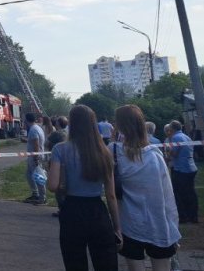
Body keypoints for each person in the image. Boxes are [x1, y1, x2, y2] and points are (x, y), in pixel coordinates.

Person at [46, 105, 121, 271]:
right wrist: (117, 227)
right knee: (106, 263)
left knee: (74, 262)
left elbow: (52, 186)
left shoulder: (60, 149)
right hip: (97, 211)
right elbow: (111, 195)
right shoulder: (104, 152)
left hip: (72, 210)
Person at [113, 105, 181, 271]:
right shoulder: (155, 155)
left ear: (120, 126)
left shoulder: (113, 152)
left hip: (129, 223)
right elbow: (167, 195)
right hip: (159, 223)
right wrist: (174, 226)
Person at [164, 120, 198, 224]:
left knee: (179, 193)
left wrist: (168, 150)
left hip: (181, 169)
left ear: (172, 128)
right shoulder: (186, 136)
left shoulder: (175, 138)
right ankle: (193, 216)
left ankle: (183, 217)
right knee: (190, 192)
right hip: (191, 167)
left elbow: (174, 154)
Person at [24, 113, 47, 205]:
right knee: (29, 174)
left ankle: (42, 198)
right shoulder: (37, 128)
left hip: (35, 157)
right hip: (33, 156)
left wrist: (36, 157)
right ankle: (35, 194)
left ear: (27, 120)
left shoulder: (33, 130)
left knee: (38, 177)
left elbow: (36, 144)